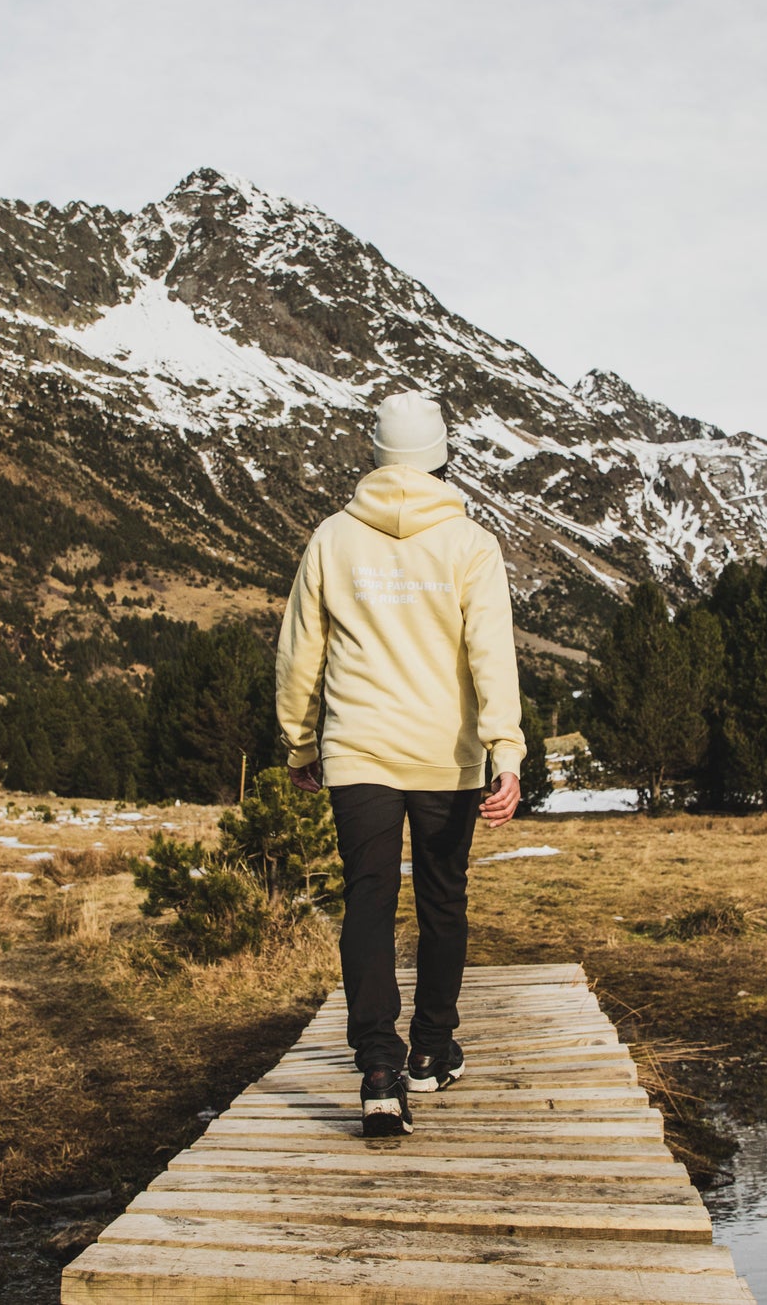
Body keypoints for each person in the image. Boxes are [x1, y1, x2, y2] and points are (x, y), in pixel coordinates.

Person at [275, 391, 526, 1138]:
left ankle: (378, 1068)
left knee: (368, 902)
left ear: (376, 456)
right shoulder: (469, 543)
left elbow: (298, 654)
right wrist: (504, 750)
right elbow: (491, 656)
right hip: (446, 758)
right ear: (442, 455)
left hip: (358, 754)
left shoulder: (331, 538)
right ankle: (431, 1047)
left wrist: (299, 739)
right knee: (443, 902)